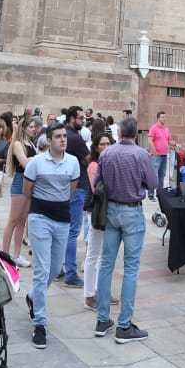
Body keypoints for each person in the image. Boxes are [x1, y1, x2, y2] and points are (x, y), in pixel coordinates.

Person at [93, 116, 157, 343]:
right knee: (131, 268)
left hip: (111, 209)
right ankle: (124, 325)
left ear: (119, 132)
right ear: (134, 132)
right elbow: (153, 183)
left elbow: (97, 182)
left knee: (106, 264)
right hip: (132, 210)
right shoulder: (141, 154)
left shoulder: (107, 153)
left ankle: (102, 320)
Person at [23, 123, 80, 348]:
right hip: (40, 218)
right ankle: (40, 323)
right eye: (58, 136)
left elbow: (71, 189)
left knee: (56, 269)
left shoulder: (73, 162)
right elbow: (27, 191)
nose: (63, 140)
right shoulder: (36, 163)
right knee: (42, 269)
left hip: (62, 219)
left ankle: (32, 296)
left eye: (64, 136)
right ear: (48, 140)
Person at [83, 127, 117, 310]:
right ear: (96, 147)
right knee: (93, 253)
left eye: (108, 143)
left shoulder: (110, 163)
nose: (105, 146)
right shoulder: (94, 165)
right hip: (97, 212)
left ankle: (101, 290)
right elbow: (99, 189)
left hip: (108, 212)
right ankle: (89, 295)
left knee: (104, 255)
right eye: (102, 144)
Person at [2, 114, 40, 265]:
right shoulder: (18, 144)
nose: (33, 129)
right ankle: (4, 255)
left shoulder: (30, 143)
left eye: (33, 127)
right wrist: (37, 159)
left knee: (22, 220)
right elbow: (25, 163)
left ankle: (16, 254)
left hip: (29, 181)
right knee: (13, 219)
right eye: (30, 127)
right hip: (20, 180)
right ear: (23, 128)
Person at [59, 105, 89, 288]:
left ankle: (58, 270)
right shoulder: (76, 139)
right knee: (72, 231)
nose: (83, 121)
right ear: (71, 118)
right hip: (76, 187)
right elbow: (88, 160)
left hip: (60, 188)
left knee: (62, 230)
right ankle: (70, 273)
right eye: (80, 118)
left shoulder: (61, 135)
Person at [148, 110, 174, 197]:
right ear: (158, 118)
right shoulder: (154, 128)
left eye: (165, 117)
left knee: (162, 175)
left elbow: (169, 140)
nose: (164, 119)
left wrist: (175, 144)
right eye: (162, 117)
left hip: (164, 155)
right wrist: (154, 152)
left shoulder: (166, 129)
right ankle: (151, 194)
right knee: (153, 175)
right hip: (156, 156)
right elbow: (150, 140)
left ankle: (160, 194)